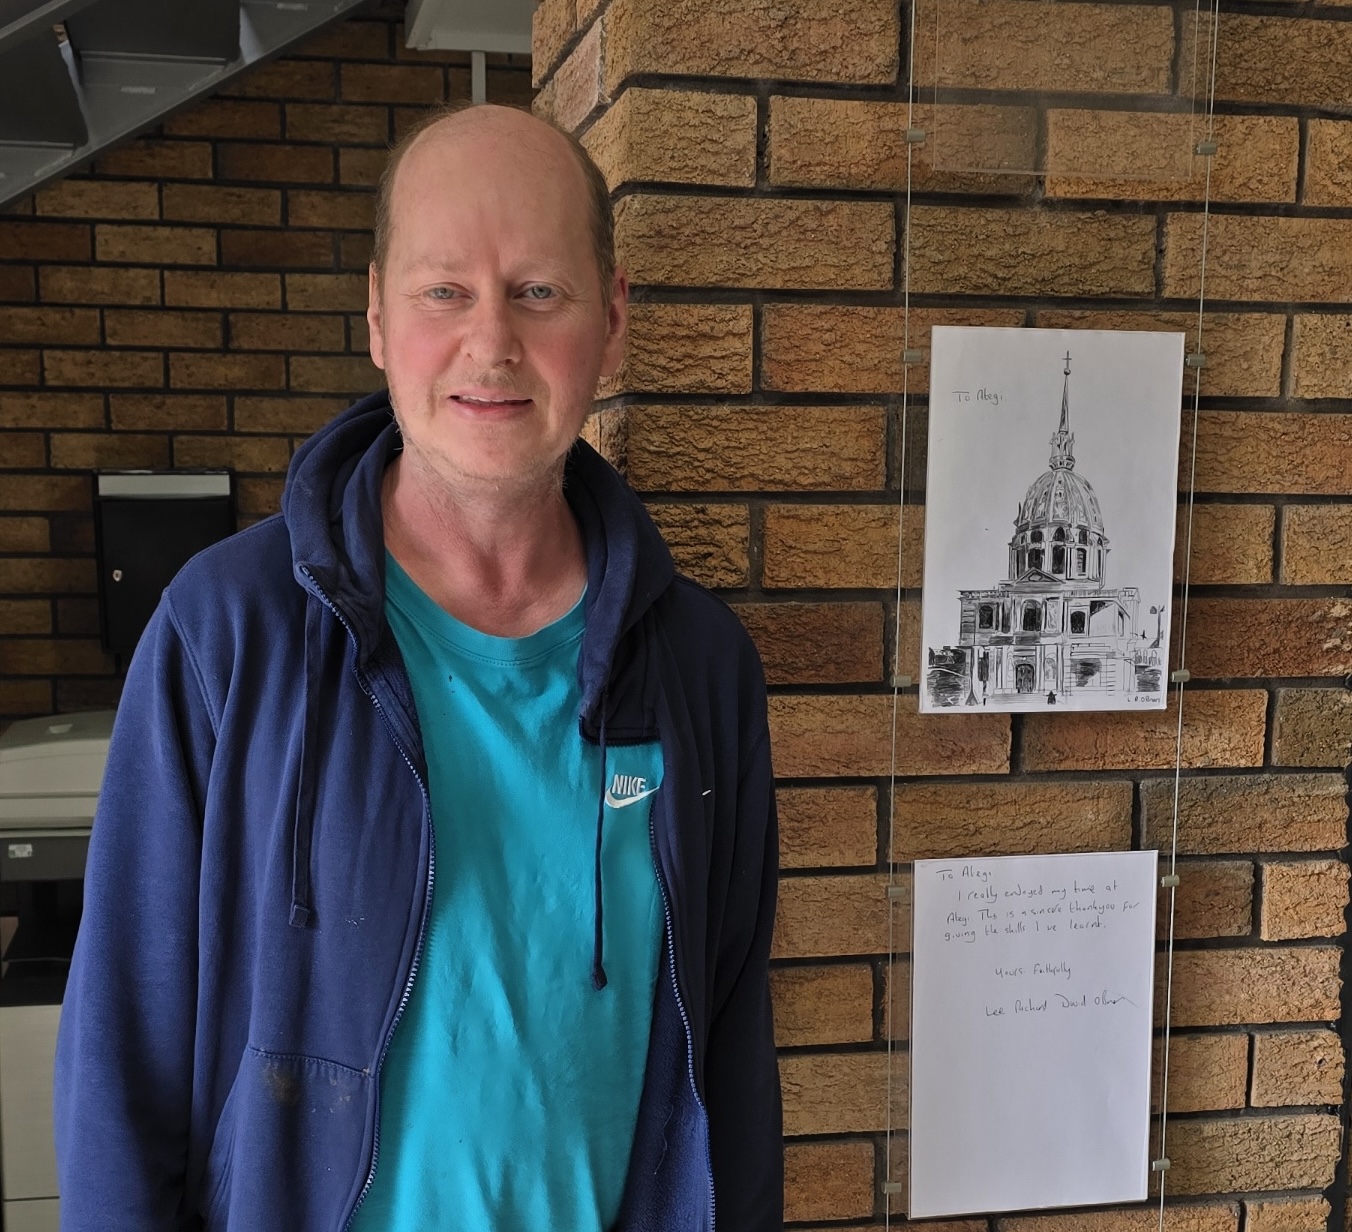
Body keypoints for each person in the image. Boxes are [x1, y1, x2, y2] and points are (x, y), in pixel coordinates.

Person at [53, 102, 782, 1231]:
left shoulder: (699, 671)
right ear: (379, 320)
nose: (491, 342)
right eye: (445, 291)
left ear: (613, 319)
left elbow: (726, 1070)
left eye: (538, 290)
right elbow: (121, 1062)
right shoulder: (224, 635)